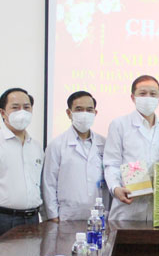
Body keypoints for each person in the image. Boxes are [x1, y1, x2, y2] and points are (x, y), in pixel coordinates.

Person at [0, 88, 44, 244]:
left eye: (26, 107)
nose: (22, 112)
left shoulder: (36, 146)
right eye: (15, 107)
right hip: (3, 220)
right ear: (3, 113)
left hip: (32, 219)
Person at [103, 75, 159, 221]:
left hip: (158, 209)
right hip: (127, 208)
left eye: (153, 94)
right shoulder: (119, 125)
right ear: (133, 97)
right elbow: (111, 164)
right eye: (142, 93)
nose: (148, 97)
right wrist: (116, 189)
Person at [43, 91, 109, 222]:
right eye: (79, 109)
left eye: (89, 110)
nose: (84, 114)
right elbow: (48, 183)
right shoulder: (57, 145)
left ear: (95, 113)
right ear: (69, 113)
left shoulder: (104, 143)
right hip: (68, 215)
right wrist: (53, 216)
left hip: (100, 215)